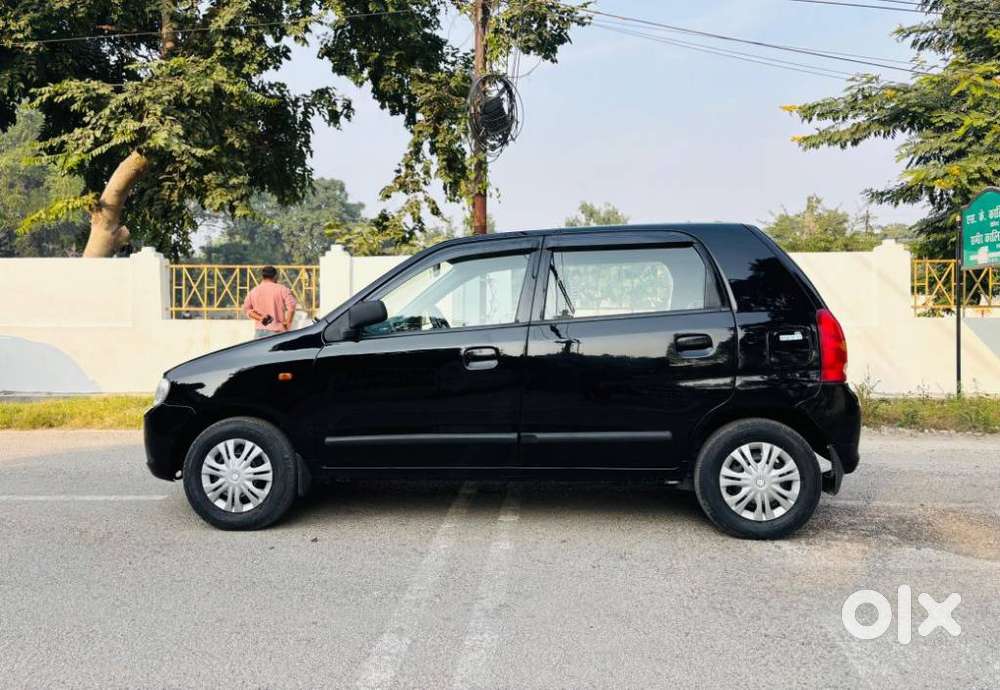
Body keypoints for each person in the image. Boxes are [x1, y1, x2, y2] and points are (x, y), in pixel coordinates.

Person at [243, 266, 298, 339]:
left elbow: (247, 310)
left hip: (259, 332)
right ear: (275, 276)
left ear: (263, 276)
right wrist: (288, 325)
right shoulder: (282, 289)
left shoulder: (254, 291)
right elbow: (291, 307)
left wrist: (260, 318)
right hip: (277, 332)